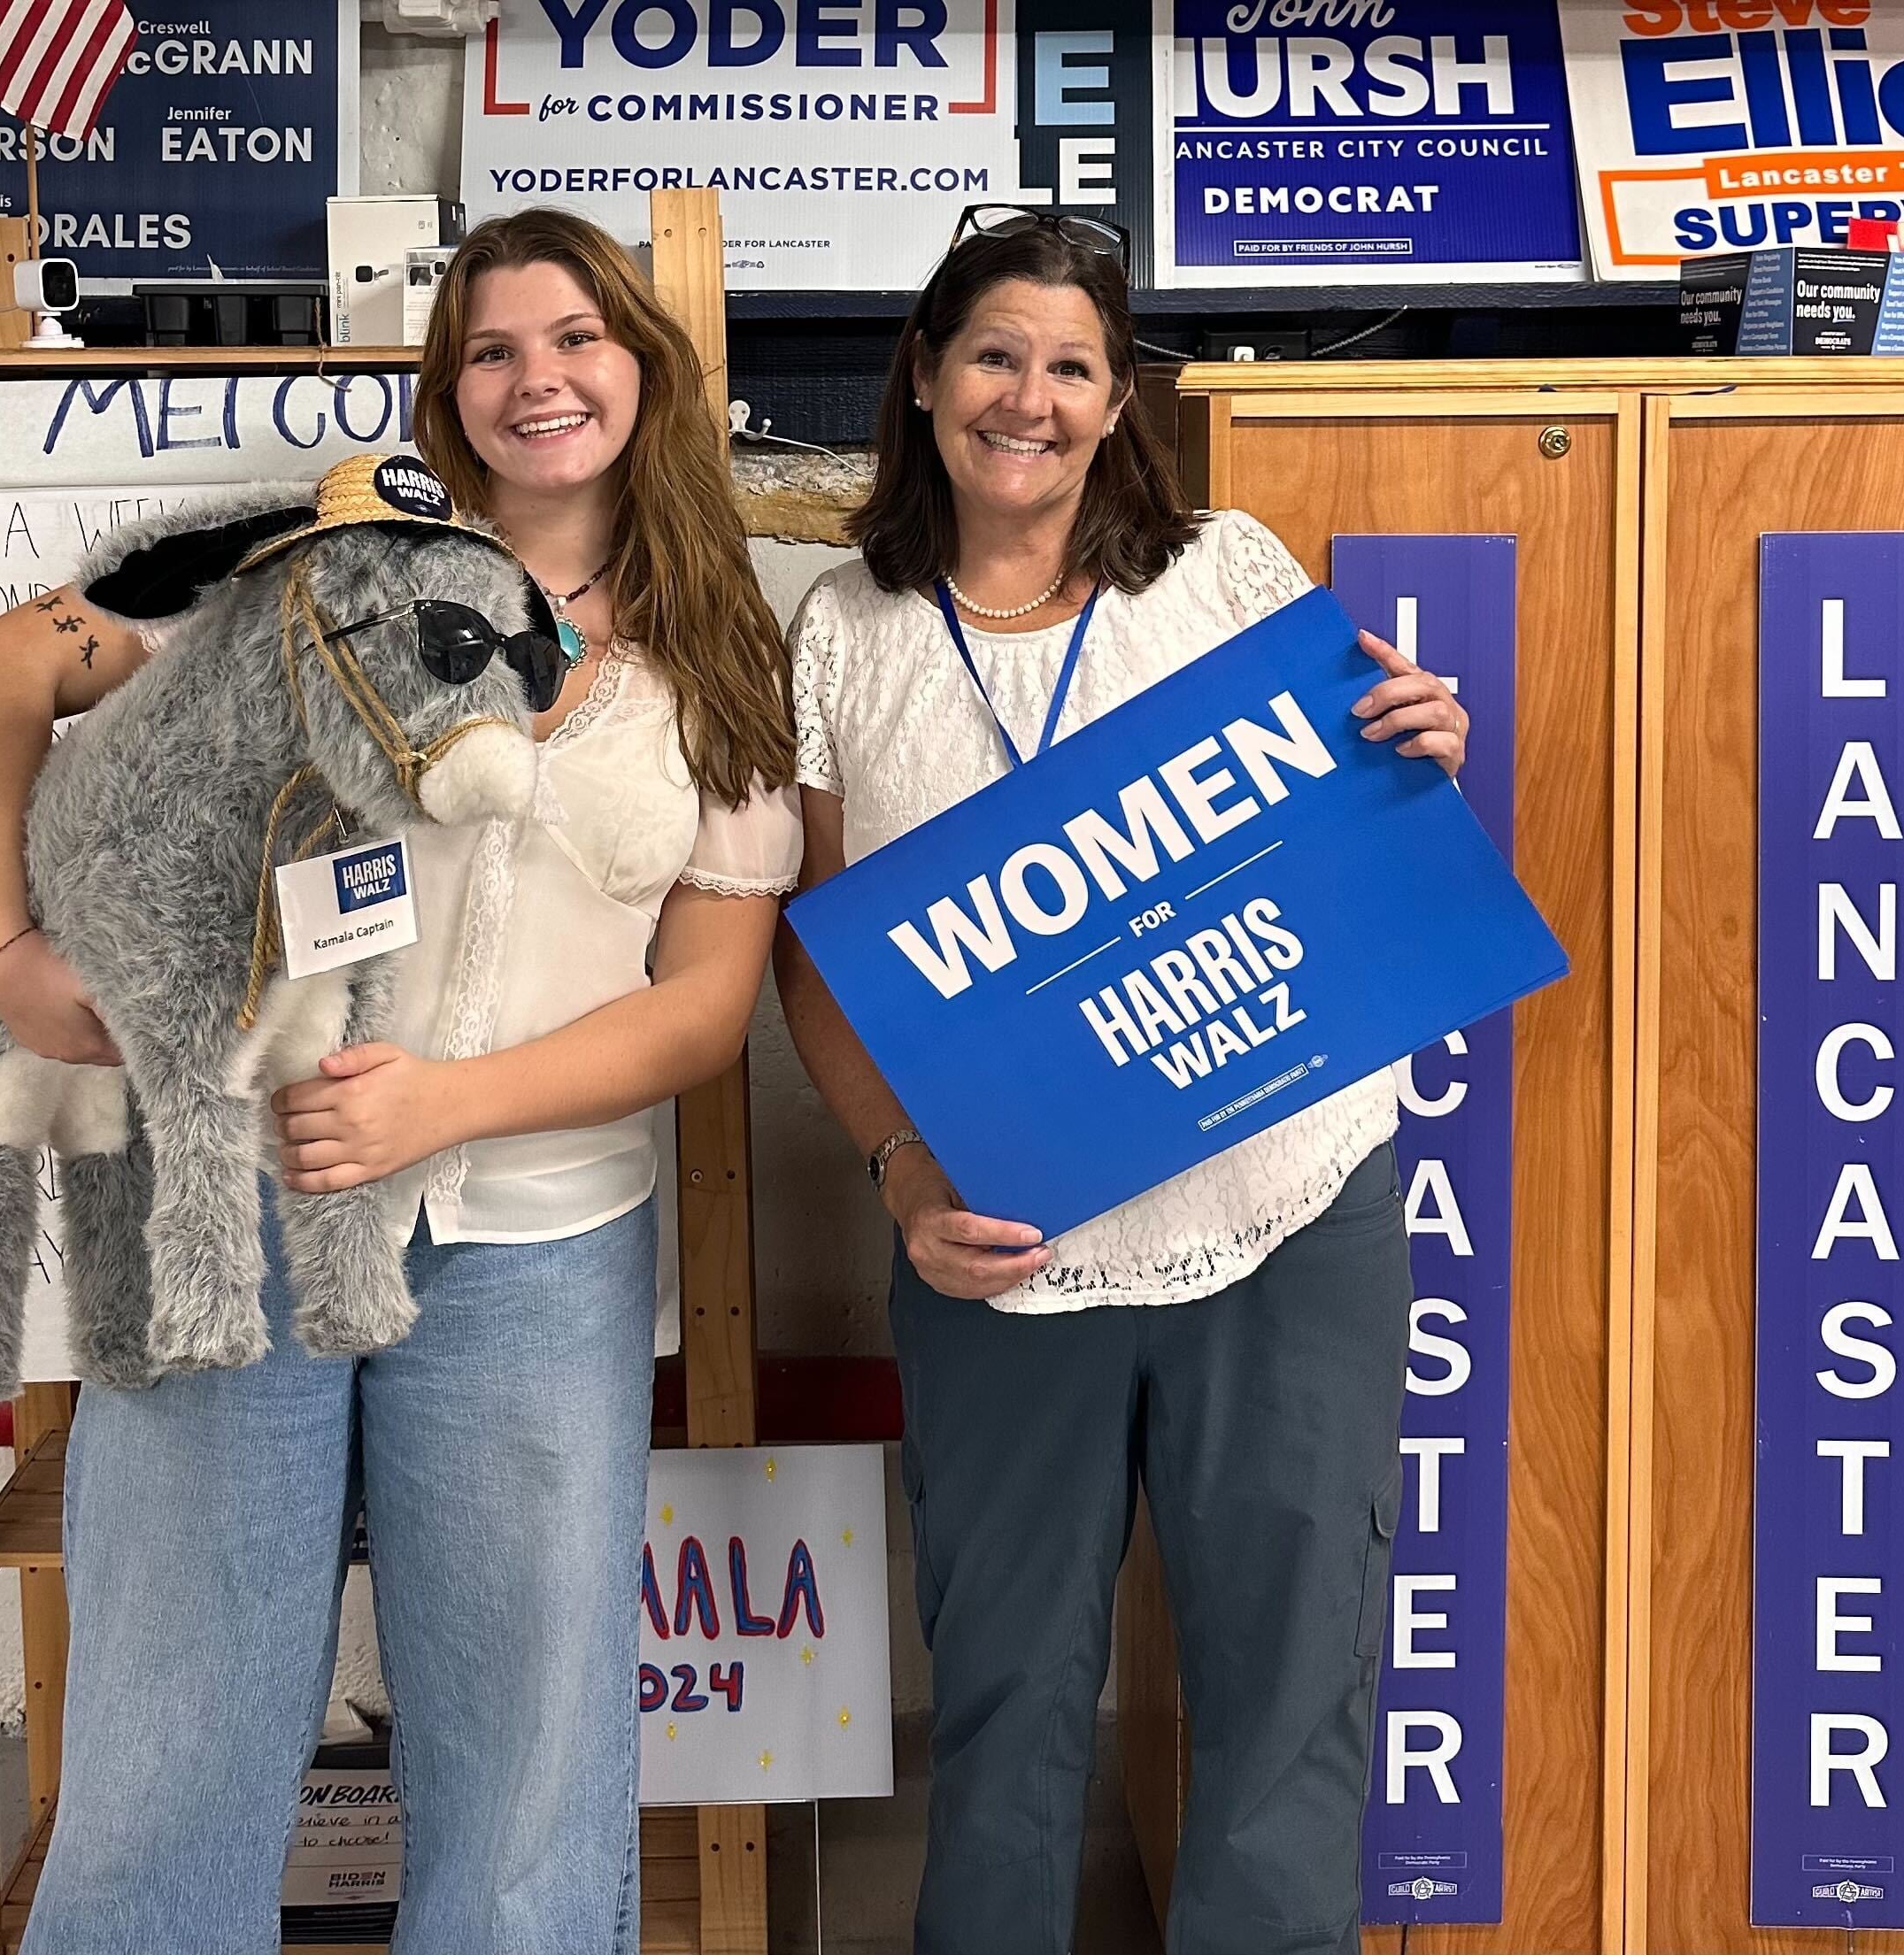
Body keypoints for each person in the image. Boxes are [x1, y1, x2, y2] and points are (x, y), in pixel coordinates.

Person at [0, 209, 800, 1955]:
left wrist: (445, 1108)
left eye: (575, 338)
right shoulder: (318, 576)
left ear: (646, 365)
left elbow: (704, 1012)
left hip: (540, 1251)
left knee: (530, 1774)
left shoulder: (732, 660)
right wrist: (10, 953)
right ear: (447, 386)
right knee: (172, 1742)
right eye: (492, 349)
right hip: (238, 1227)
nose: (537, 378)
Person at [772, 205, 1468, 1955]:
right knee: (1007, 1703)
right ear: (925, 373)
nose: (1030, 396)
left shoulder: (1222, 568)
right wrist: (895, 1175)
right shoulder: (843, 627)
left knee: (1289, 1702)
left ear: (1114, 400)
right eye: (995, 354)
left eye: (1071, 366)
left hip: (1289, 1217)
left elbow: (1349, 830)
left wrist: (1422, 754)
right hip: (1000, 1242)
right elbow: (815, 947)